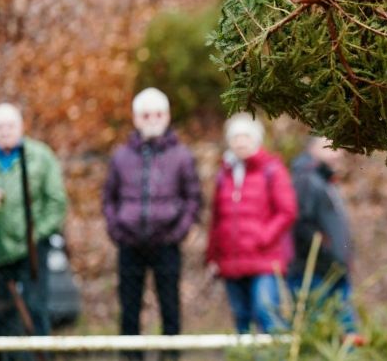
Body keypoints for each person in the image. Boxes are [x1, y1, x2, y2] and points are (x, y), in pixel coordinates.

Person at [102, 88, 202, 360]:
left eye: (157, 114)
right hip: (130, 244)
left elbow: (193, 198)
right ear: (136, 118)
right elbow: (108, 198)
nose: (152, 119)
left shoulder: (181, 155)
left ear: (167, 116)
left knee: (170, 308)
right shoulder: (121, 156)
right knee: (129, 310)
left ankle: (169, 357)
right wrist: (116, 229)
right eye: (146, 114)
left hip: (166, 244)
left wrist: (179, 232)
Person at [0, 103, 67, 358]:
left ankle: (41, 357)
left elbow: (56, 202)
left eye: (9, 125)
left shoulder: (40, 156)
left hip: (32, 251)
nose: (4, 131)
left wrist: (37, 235)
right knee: (4, 315)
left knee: (36, 310)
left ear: (21, 126)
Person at [205, 113, 297, 334]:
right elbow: (217, 219)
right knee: (241, 318)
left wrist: (263, 236)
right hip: (231, 261)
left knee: (265, 311)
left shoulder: (271, 170)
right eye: (235, 137)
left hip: (264, 259)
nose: (240, 142)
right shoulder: (224, 174)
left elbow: (287, 211)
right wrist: (213, 256)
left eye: (245, 136)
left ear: (256, 139)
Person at [287, 136, 356, 334]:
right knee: (315, 329)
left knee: (346, 328)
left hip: (335, 269)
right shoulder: (307, 178)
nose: (338, 153)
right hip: (316, 272)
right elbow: (302, 224)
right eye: (329, 147)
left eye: (338, 147)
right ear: (313, 149)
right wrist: (327, 252)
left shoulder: (324, 179)